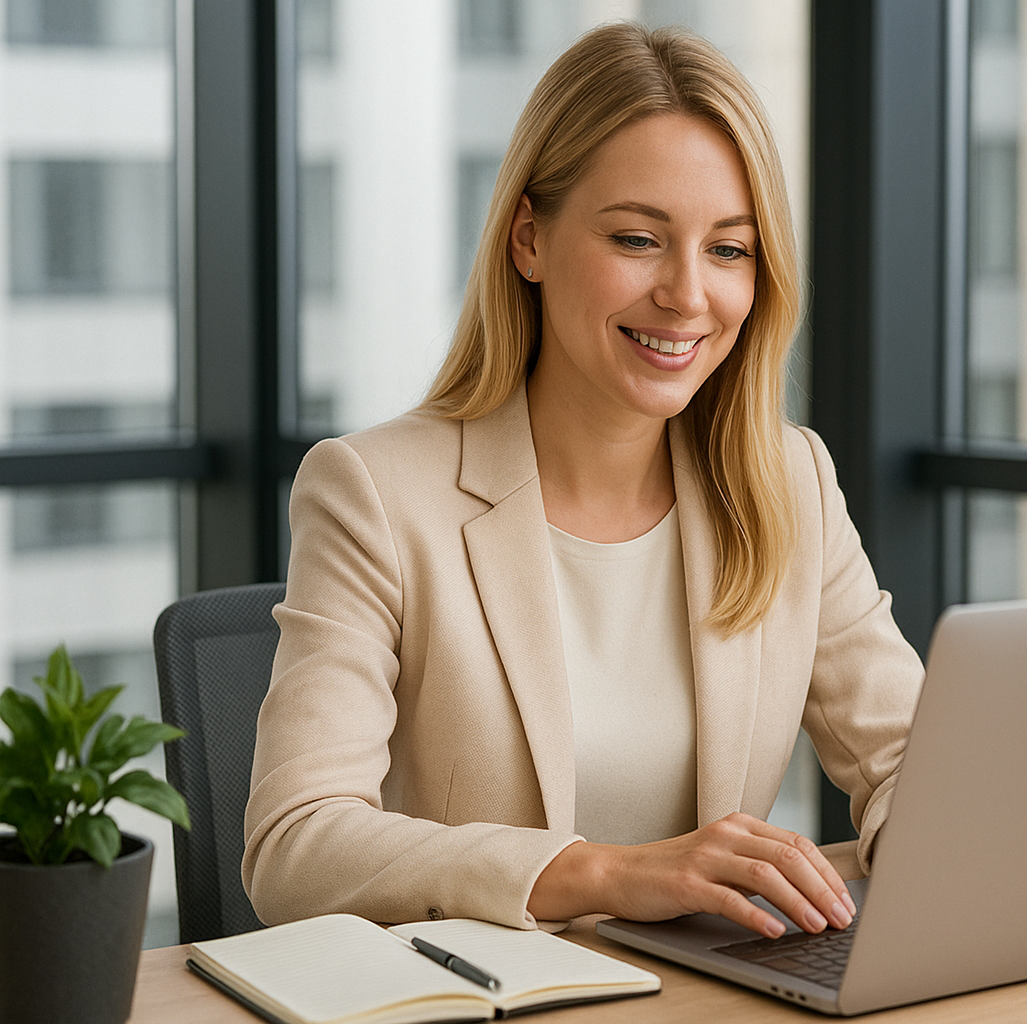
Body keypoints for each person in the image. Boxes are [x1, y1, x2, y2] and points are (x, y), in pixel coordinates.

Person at [243, 21, 923, 942]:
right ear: (529, 238)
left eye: (729, 250)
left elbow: (912, 764)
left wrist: (937, 840)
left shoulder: (787, 481)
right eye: (639, 239)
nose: (688, 294)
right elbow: (295, 846)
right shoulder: (373, 492)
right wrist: (603, 872)